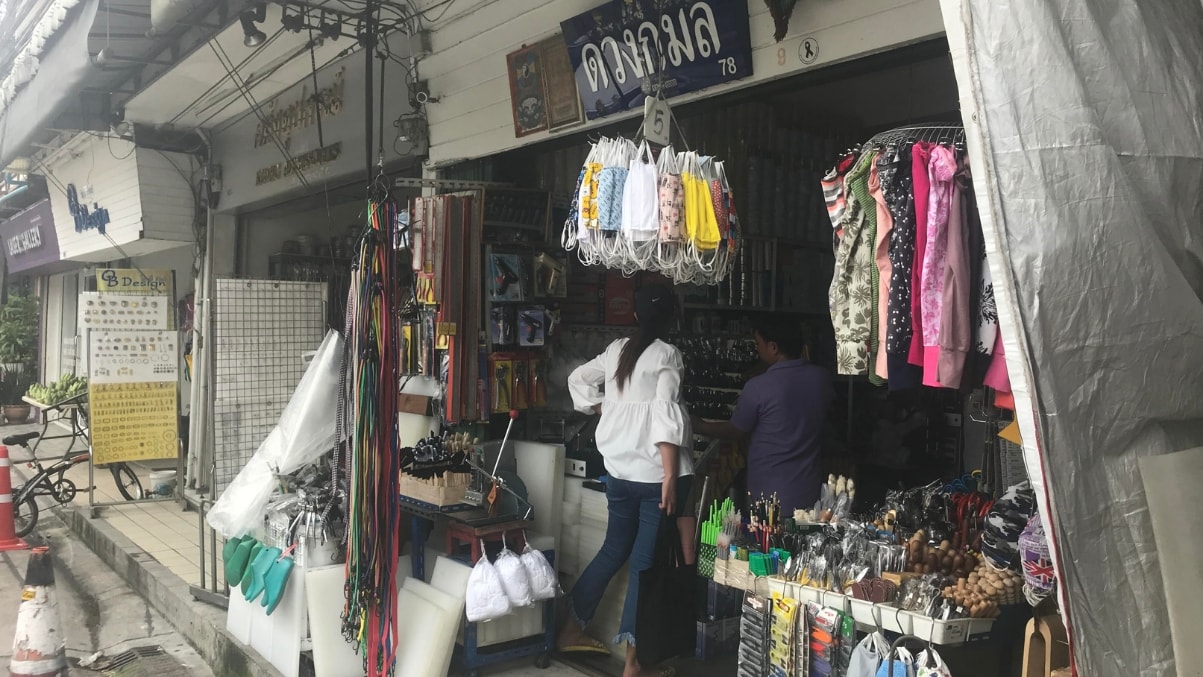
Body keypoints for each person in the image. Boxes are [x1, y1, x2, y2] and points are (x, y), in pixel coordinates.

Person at [559, 283, 693, 677]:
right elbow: (666, 414)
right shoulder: (667, 354)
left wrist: (604, 407)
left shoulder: (618, 349)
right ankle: (634, 666)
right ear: (671, 317)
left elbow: (577, 380)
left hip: (618, 474)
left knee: (612, 551)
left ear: (634, 315)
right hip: (654, 478)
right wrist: (670, 475)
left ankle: (571, 628)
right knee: (644, 566)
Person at [693, 316, 833, 517]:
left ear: (773, 347)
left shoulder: (758, 387)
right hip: (809, 490)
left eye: (759, 344)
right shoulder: (821, 378)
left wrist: (701, 425)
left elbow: (736, 430)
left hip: (769, 495)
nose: (757, 349)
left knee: (766, 546)